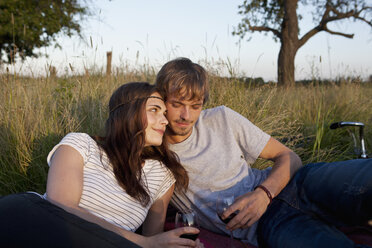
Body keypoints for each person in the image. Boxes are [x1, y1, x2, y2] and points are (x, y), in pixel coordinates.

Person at [155, 57, 372, 248]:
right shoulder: (155, 153)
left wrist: (263, 194)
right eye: (177, 104)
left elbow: (289, 156)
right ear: (161, 101)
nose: (186, 115)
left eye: (195, 106)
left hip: (296, 184)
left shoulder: (221, 118)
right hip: (269, 224)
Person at [0, 82, 203, 248]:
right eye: (154, 110)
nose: (165, 121)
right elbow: (61, 205)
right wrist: (142, 242)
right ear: (128, 113)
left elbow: (154, 240)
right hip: (36, 223)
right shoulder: (82, 144)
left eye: (165, 113)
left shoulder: (162, 176)